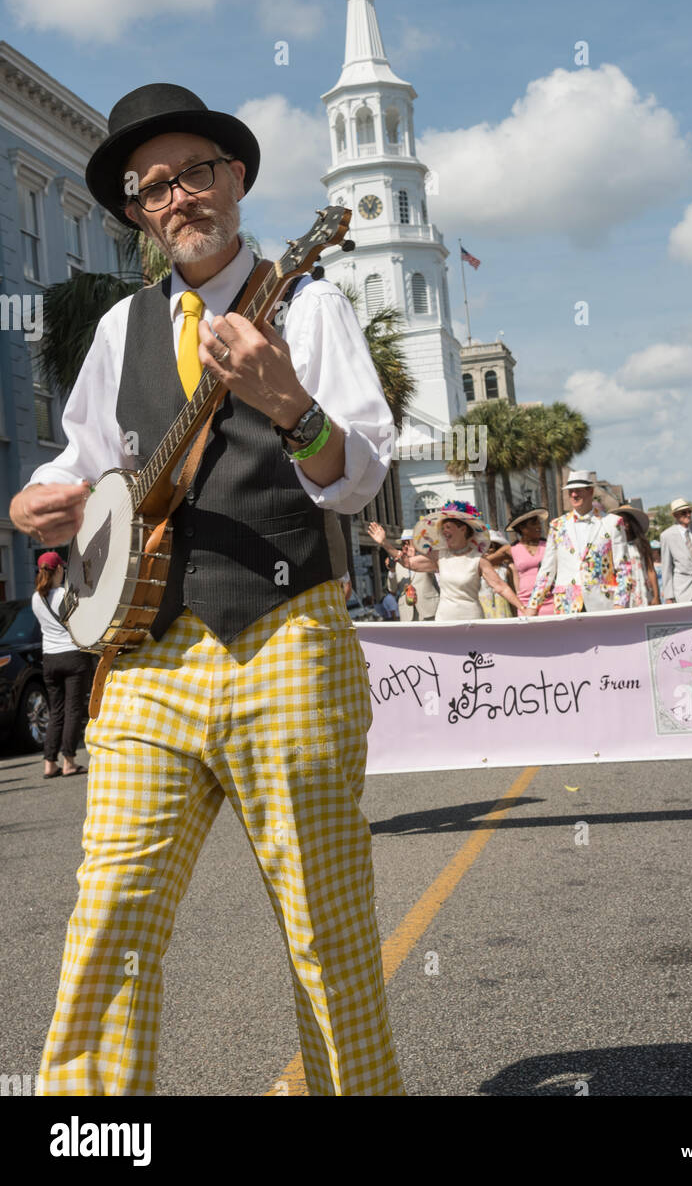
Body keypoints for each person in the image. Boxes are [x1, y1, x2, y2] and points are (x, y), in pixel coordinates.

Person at [8, 82, 404, 1096]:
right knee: (109, 917)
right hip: (145, 657)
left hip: (288, 634)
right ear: (138, 212)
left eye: (195, 173)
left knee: (325, 924)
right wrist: (46, 500)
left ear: (234, 181)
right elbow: (88, 462)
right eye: (153, 185)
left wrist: (290, 405)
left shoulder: (308, 303)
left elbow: (358, 474)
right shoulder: (120, 331)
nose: (177, 196)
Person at [369, 502, 523, 621]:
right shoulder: (439, 556)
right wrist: (385, 543)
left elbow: (501, 587)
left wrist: (523, 609)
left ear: (462, 529)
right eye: (443, 528)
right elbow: (409, 563)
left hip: (472, 620)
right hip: (444, 620)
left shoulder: (478, 560)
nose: (444, 532)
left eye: (448, 527)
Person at [526, 471, 632, 616]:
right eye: (571, 491)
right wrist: (533, 606)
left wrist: (620, 604)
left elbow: (624, 568)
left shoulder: (612, 523)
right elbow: (547, 570)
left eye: (578, 490)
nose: (574, 495)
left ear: (591, 491)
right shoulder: (557, 525)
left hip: (603, 605)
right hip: (567, 604)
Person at [31, 551, 91, 778]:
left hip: (50, 658)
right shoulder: (66, 595)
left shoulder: (36, 598)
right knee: (73, 710)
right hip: (73, 656)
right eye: (62, 568)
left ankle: (49, 763)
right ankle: (69, 762)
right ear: (58, 570)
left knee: (55, 711)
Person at [486, 508, 556, 616]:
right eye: (534, 523)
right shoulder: (510, 549)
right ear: (522, 528)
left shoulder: (550, 545)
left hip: (551, 601)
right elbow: (484, 562)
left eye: (539, 523)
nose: (539, 527)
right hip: (525, 605)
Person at [387, 528, 440, 621]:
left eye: (408, 543)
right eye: (403, 544)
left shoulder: (425, 558)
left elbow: (435, 569)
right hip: (407, 612)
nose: (405, 546)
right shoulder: (398, 564)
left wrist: (415, 556)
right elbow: (392, 590)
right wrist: (392, 571)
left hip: (428, 610)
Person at [617, 504, 660, 607]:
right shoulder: (615, 546)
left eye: (626, 521)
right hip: (623, 592)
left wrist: (656, 596)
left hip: (643, 590)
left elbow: (650, 570)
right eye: (621, 521)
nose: (624, 524)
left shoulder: (641, 544)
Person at [479, 530, 516, 619]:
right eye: (483, 546)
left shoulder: (506, 569)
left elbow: (513, 592)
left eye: (491, 546)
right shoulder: (477, 569)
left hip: (504, 614)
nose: (487, 549)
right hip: (483, 615)